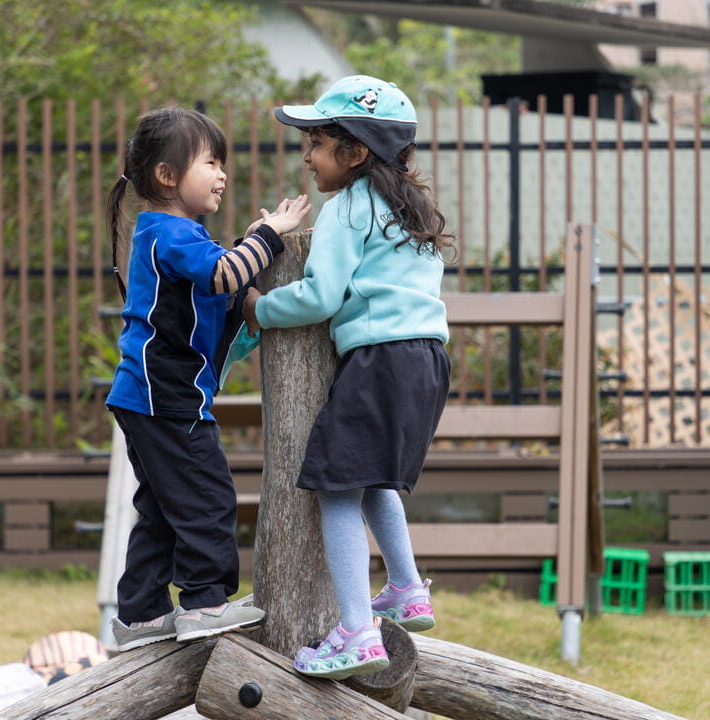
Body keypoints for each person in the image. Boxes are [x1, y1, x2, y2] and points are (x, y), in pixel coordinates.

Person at [242, 76, 454, 679]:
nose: (305, 155)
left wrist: (261, 307)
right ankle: (408, 588)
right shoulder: (412, 208)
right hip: (426, 360)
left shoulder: (349, 207)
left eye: (316, 141)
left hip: (379, 359)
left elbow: (320, 295)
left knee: (336, 487)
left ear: (355, 151)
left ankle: (358, 633)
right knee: (371, 475)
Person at [105, 106, 311, 650]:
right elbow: (225, 272)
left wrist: (250, 260)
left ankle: (142, 615)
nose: (222, 174)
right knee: (207, 498)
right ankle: (202, 603)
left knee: (162, 508)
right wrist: (267, 235)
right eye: (211, 162)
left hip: (148, 397)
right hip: (165, 398)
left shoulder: (173, 236)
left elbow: (223, 284)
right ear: (168, 176)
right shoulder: (171, 233)